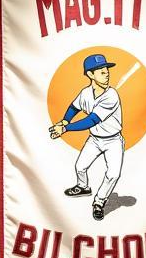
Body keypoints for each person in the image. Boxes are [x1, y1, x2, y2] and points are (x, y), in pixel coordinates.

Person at [49, 52, 124, 222]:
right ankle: (83, 187)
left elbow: (91, 120)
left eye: (106, 69)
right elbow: (73, 108)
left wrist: (65, 128)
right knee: (80, 166)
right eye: (101, 70)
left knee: (113, 174)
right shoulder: (85, 93)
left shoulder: (112, 95)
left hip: (113, 140)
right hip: (95, 139)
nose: (106, 72)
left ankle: (99, 202)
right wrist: (64, 121)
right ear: (90, 74)